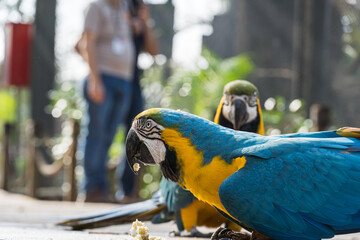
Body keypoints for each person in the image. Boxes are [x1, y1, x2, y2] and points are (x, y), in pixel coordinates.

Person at [81, 0, 136, 202]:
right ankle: (91, 187)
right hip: (103, 78)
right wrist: (95, 79)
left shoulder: (124, 8)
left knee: (108, 136)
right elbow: (89, 42)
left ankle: (101, 187)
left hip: (124, 80)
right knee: (96, 134)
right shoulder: (96, 7)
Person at [116, 0, 158, 203]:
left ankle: (126, 191)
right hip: (112, 79)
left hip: (133, 82)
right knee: (103, 133)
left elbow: (153, 50)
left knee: (134, 135)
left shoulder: (139, 8)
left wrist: (145, 22)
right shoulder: (113, 7)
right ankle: (93, 188)